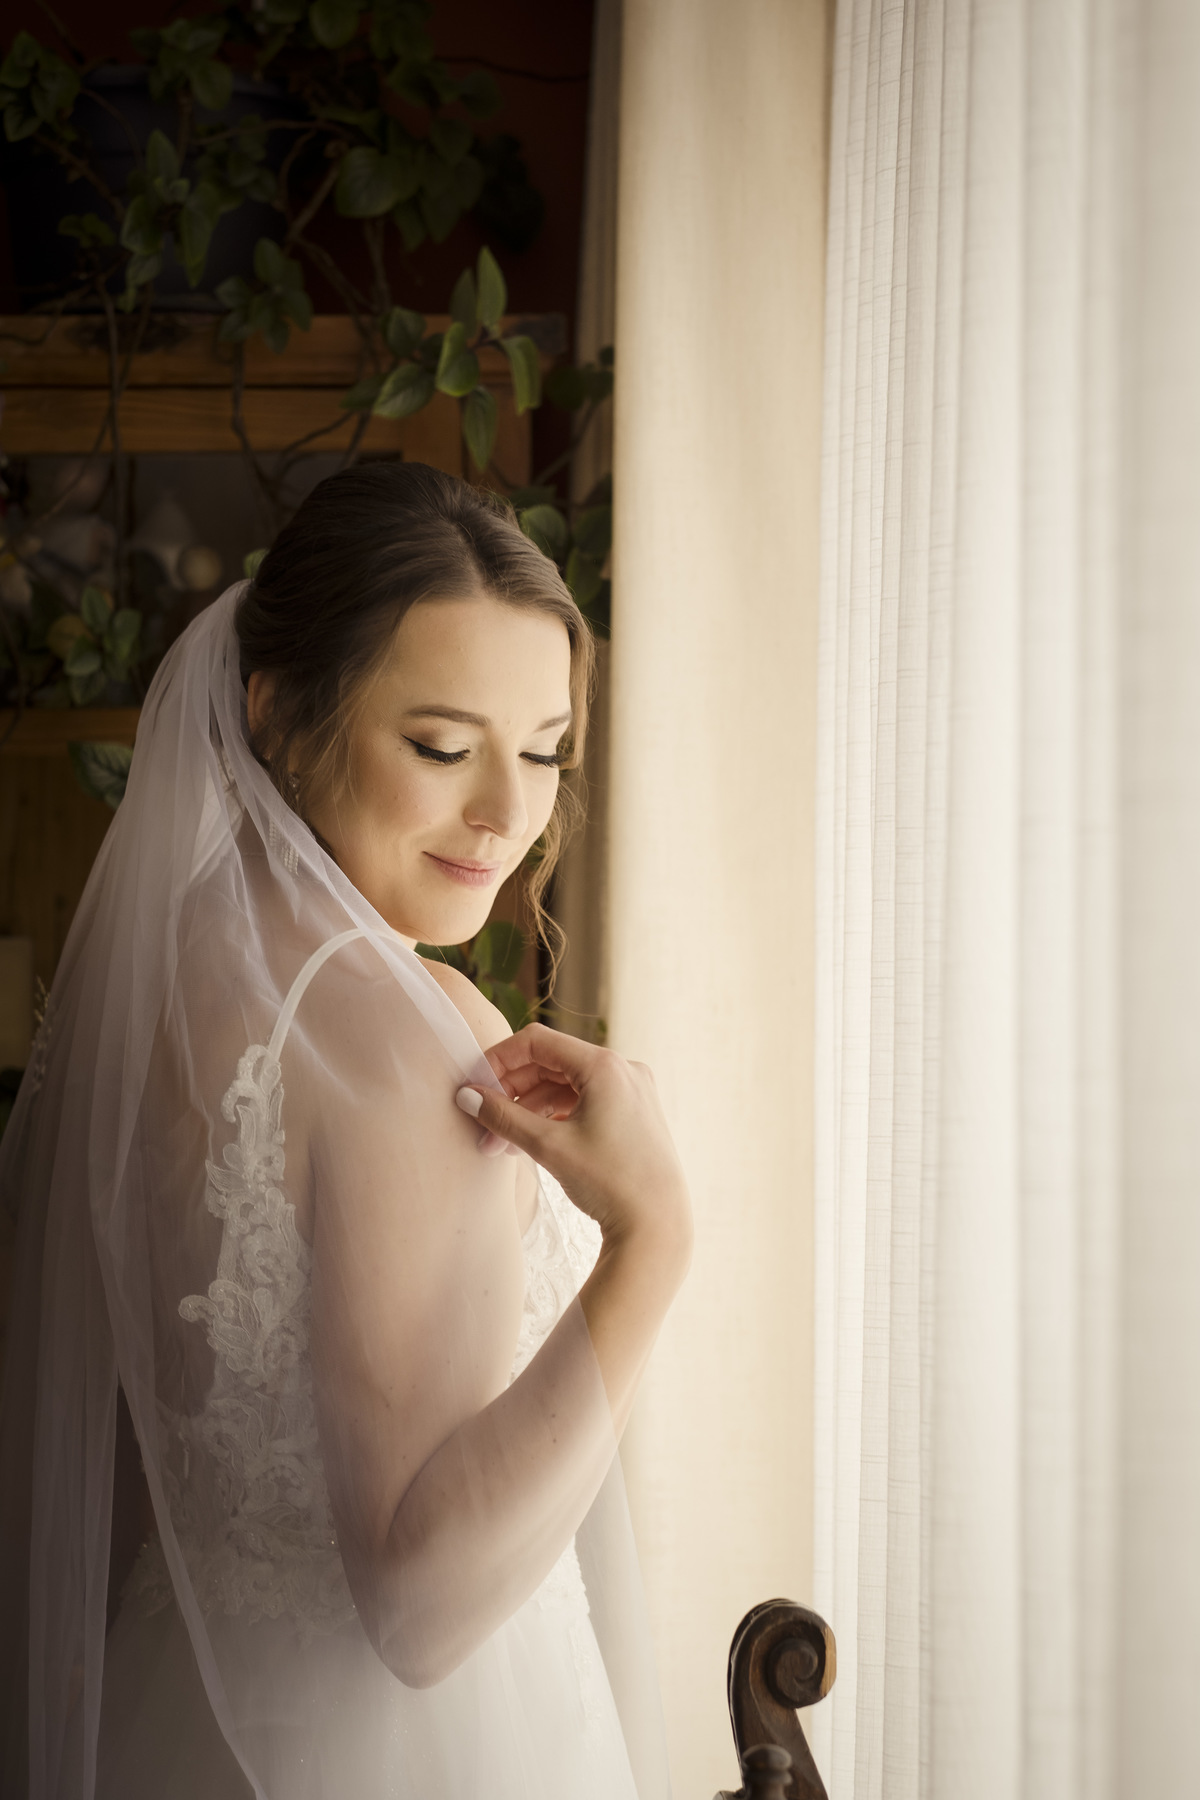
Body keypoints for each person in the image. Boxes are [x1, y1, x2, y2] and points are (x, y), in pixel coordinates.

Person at [0, 462, 691, 1800]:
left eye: (542, 750)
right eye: (441, 746)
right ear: (280, 714)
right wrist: (652, 1240)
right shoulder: (396, 1038)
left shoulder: (167, 977)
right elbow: (420, 1612)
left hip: (173, 1714)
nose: (508, 812)